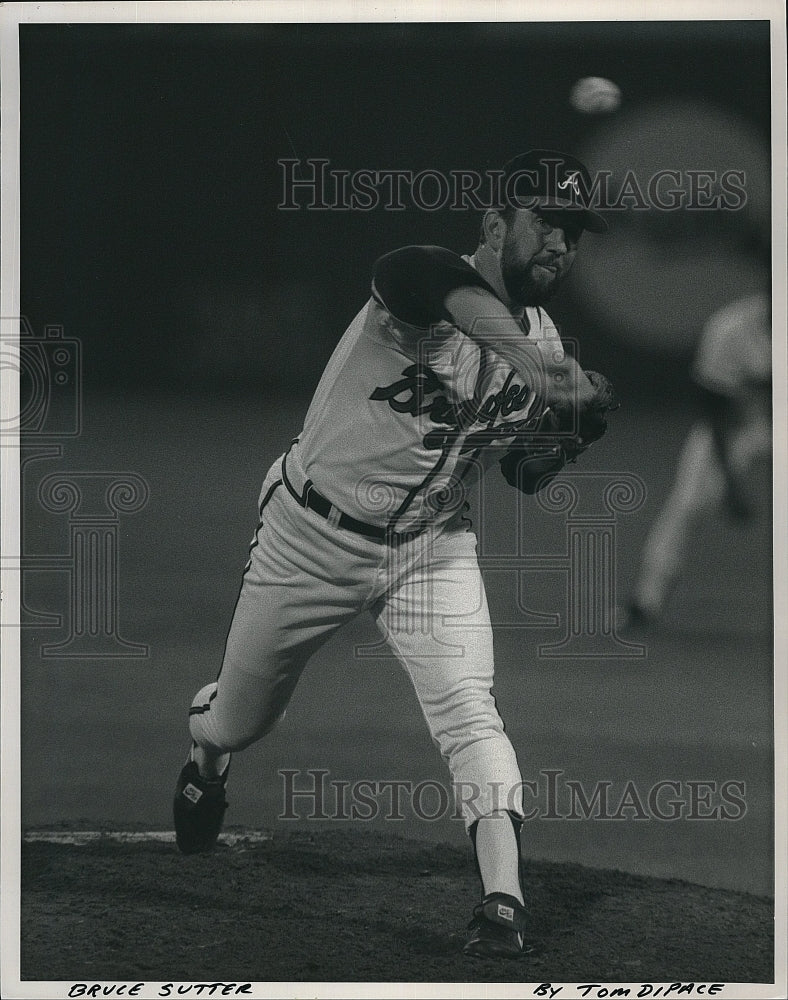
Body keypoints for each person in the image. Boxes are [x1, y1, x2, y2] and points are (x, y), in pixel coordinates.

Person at [173, 150, 610, 959]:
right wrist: (542, 377)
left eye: (574, 231)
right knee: (240, 719)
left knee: (468, 706)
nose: (561, 243)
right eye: (546, 221)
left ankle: (503, 901)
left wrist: (562, 439)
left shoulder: (544, 344)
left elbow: (516, 466)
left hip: (431, 549)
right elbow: (415, 274)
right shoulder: (430, 285)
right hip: (308, 540)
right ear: (493, 225)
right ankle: (206, 751)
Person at [622, 283, 771, 628]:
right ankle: (646, 601)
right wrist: (732, 484)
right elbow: (714, 410)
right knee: (688, 504)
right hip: (736, 428)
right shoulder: (732, 327)